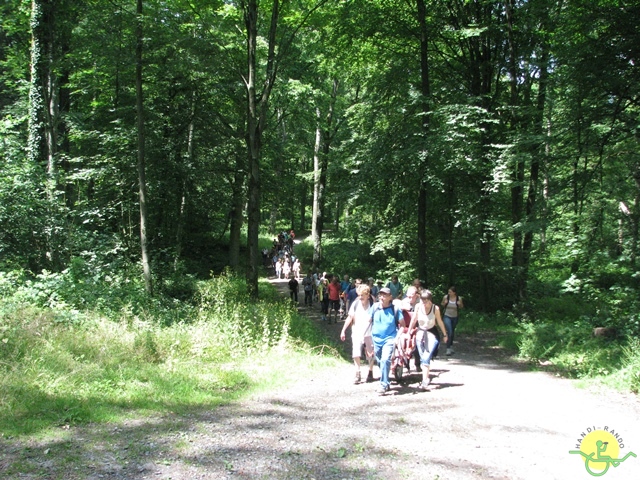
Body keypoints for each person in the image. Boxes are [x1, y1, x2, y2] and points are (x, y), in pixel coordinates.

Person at [409, 289, 448, 390]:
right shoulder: (418, 307)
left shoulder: (436, 309)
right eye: (422, 300)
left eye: (426, 301)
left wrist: (445, 334)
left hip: (431, 333)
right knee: (423, 358)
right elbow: (414, 320)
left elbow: (439, 322)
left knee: (426, 356)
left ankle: (424, 381)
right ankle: (426, 377)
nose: (424, 303)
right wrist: (409, 331)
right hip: (420, 333)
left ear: (430, 300)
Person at [370, 287, 405, 395]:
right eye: (380, 295)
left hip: (389, 339)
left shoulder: (395, 309)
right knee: (380, 362)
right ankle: (386, 381)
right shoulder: (375, 307)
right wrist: (364, 336)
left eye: (385, 295)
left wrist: (397, 337)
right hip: (376, 339)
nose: (382, 297)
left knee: (385, 360)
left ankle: (383, 385)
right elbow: (368, 321)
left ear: (390, 297)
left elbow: (403, 325)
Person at [340, 284, 375, 384]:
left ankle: (370, 371)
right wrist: (343, 330)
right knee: (356, 353)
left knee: (370, 353)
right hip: (357, 332)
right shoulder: (355, 304)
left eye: (362, 295)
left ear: (367, 295)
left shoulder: (373, 304)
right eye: (359, 295)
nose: (360, 297)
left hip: (369, 333)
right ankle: (357, 372)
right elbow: (350, 317)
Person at [441, 286, 464, 355]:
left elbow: (461, 307)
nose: (449, 293)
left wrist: (459, 304)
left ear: (454, 293)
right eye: (448, 292)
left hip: (455, 317)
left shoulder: (458, 298)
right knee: (450, 331)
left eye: (450, 292)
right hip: (447, 316)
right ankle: (448, 349)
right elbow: (442, 304)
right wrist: (444, 303)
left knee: (452, 331)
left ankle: (451, 346)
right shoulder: (446, 297)